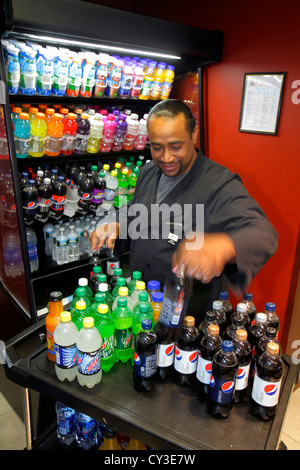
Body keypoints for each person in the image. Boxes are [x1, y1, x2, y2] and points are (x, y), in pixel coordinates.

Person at [89, 99, 278, 324]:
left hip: (190, 318)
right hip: (143, 306)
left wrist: (225, 246)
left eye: (176, 146)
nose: (166, 158)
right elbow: (137, 208)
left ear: (194, 134)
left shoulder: (218, 184)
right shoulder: (149, 171)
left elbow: (263, 233)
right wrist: (117, 222)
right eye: (157, 147)